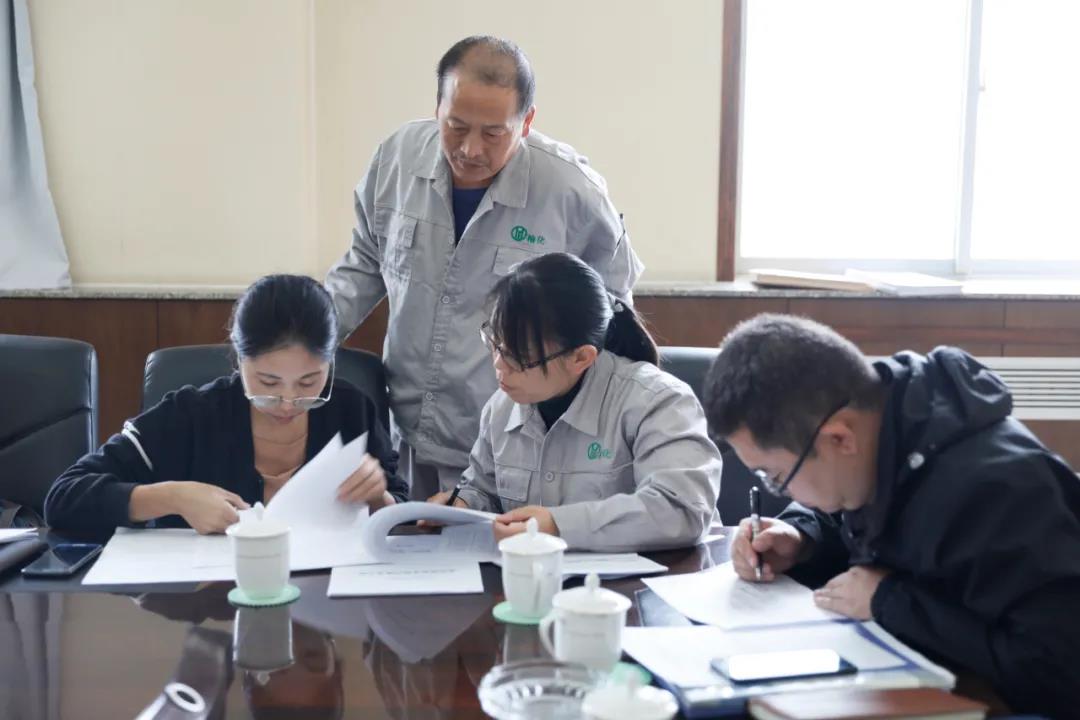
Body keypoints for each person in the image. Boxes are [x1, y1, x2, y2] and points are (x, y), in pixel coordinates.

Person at [703, 313, 1080, 718]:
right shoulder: (885, 424)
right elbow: (868, 517)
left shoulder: (1000, 493)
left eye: (777, 477)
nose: (784, 492)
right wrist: (800, 536)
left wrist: (890, 601)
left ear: (839, 438)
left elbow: (1058, 671)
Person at [325, 35, 642, 501]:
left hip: (517, 446)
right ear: (437, 108)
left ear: (526, 122)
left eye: (493, 133)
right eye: (456, 127)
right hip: (409, 425)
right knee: (415, 538)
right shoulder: (395, 159)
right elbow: (363, 264)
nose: (471, 150)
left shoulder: (571, 192)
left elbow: (610, 314)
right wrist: (304, 342)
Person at [45, 274, 408, 538]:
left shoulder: (351, 410)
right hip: (209, 604)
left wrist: (377, 497)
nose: (287, 403)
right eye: (268, 383)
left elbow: (402, 517)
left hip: (324, 602)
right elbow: (63, 498)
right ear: (239, 360)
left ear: (330, 363)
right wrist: (173, 497)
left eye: (309, 383)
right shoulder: (191, 415)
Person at [434, 253, 720, 552]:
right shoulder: (502, 406)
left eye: (519, 357)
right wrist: (462, 505)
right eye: (497, 344)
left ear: (581, 357)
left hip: (657, 576)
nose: (499, 365)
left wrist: (558, 526)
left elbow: (682, 509)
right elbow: (485, 490)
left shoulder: (658, 401)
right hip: (539, 576)